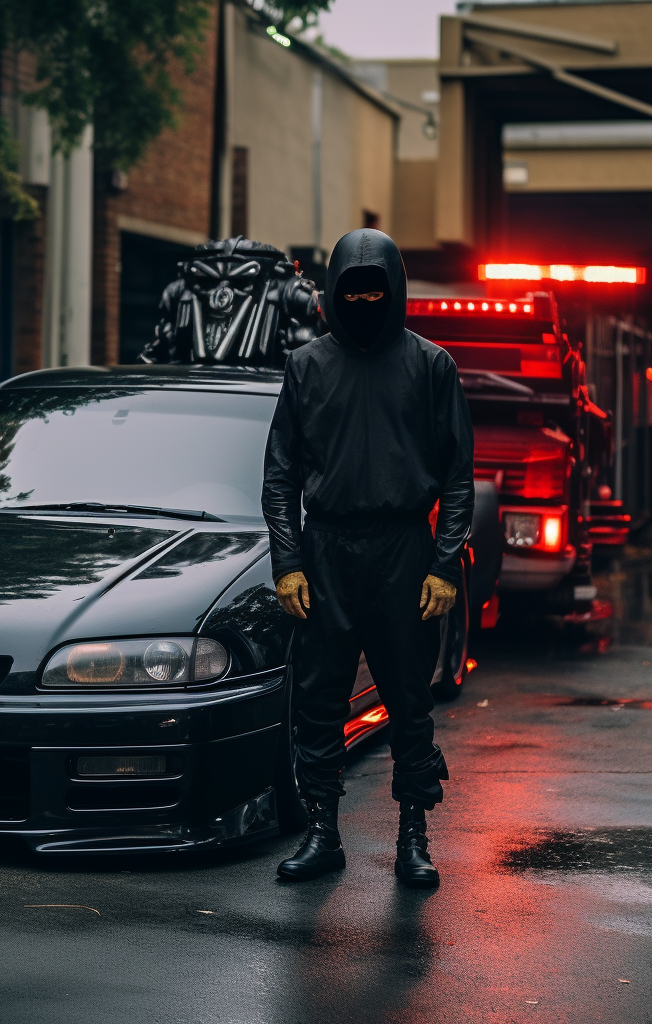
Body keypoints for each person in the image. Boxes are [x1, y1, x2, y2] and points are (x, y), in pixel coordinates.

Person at [261, 229, 474, 889]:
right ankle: (321, 830)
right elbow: (279, 477)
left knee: (409, 698)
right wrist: (287, 561)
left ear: (394, 289)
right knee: (319, 697)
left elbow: (459, 475)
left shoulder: (431, 366)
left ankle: (414, 834)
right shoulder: (306, 367)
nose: (361, 300)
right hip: (325, 548)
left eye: (372, 289)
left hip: (404, 548)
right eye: (349, 290)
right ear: (331, 291)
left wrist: (443, 564)